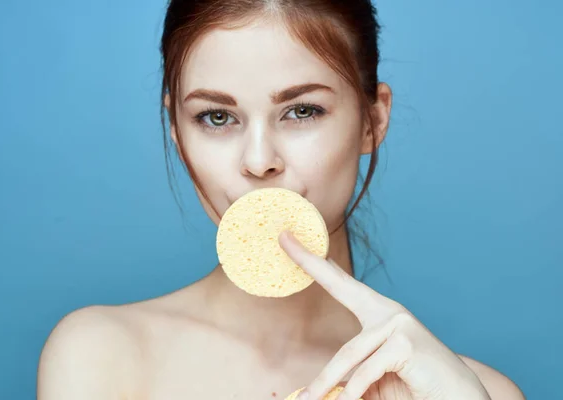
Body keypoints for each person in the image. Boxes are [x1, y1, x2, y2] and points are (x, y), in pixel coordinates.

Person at [36, 1, 525, 399]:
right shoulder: (100, 356)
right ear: (176, 131)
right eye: (216, 118)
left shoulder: (477, 392)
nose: (258, 161)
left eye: (302, 111)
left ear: (372, 121)